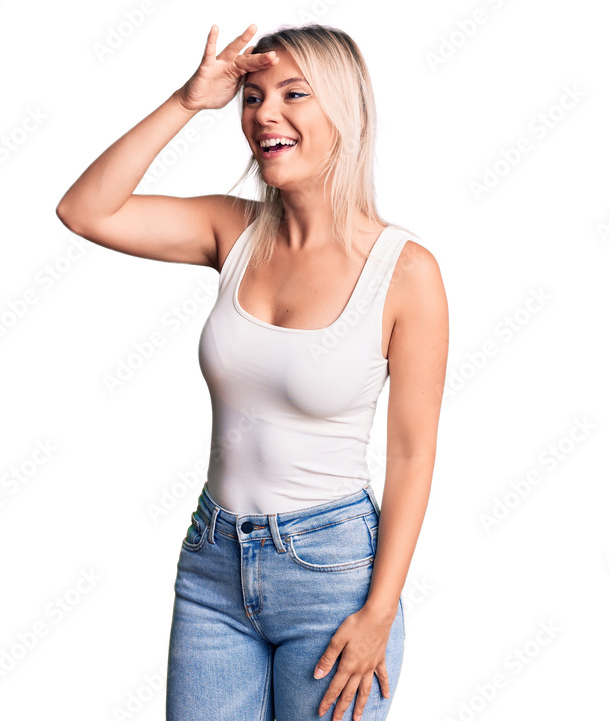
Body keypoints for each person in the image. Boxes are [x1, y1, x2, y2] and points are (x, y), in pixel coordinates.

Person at [56, 22, 448, 721]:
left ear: (346, 111)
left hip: (333, 576)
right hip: (213, 564)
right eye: (253, 96)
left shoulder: (405, 272)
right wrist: (188, 101)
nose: (265, 113)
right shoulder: (231, 230)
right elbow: (84, 211)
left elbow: (413, 453)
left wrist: (381, 609)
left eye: (294, 94)